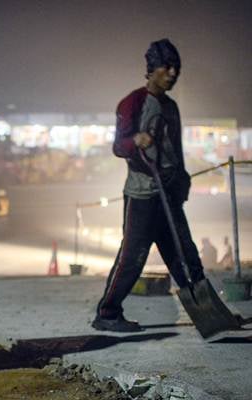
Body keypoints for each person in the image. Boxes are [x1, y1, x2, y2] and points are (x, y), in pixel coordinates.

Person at [92, 39, 206, 332]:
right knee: (132, 258)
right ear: (152, 69)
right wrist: (135, 141)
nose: (172, 73)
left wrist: (182, 178)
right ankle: (107, 314)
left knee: (186, 254)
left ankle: (207, 314)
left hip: (169, 192)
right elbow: (118, 146)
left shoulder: (172, 107)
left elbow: (176, 150)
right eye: (167, 67)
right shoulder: (132, 103)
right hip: (142, 194)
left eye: (176, 68)